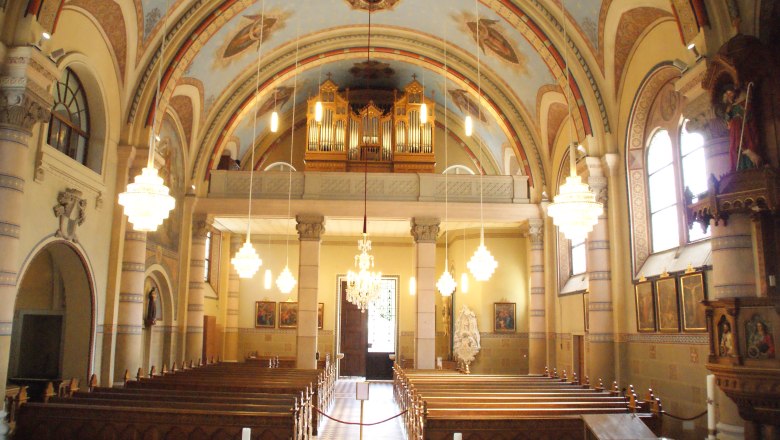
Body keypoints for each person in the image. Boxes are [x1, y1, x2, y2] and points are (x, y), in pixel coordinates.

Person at [721, 84, 761, 171]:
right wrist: (728, 114)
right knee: (735, 149)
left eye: (730, 93)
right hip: (734, 131)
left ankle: (750, 165)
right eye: (727, 95)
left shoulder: (744, 102)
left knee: (745, 144)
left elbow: (749, 116)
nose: (729, 96)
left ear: (734, 92)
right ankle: (739, 167)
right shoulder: (730, 108)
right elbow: (727, 123)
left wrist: (745, 111)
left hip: (744, 128)